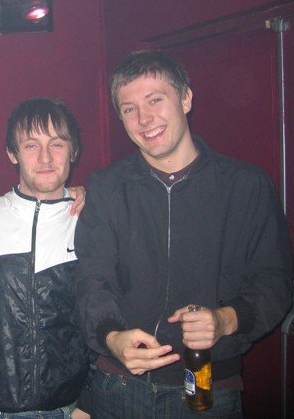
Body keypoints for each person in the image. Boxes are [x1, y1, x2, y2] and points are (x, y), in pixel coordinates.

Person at [74, 50, 293, 417]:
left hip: (207, 388)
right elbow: (91, 278)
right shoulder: (106, 187)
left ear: (186, 98)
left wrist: (226, 319)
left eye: (155, 100)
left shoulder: (246, 186)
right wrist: (112, 337)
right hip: (119, 383)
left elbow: (275, 282)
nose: (144, 119)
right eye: (129, 109)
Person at [0, 97, 91, 419]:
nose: (46, 157)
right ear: (12, 153)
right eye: (31, 145)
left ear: (73, 151)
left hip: (67, 408)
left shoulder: (93, 222)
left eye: (57, 144)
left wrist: (89, 402)